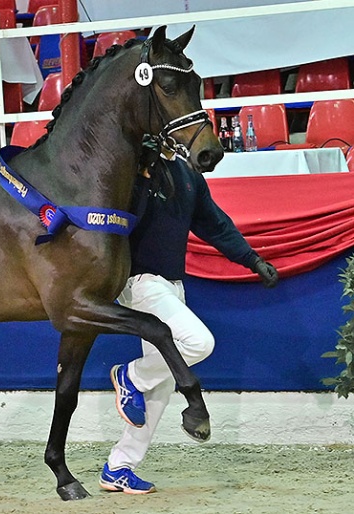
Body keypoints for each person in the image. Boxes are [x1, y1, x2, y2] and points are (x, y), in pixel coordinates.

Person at [99, 137, 279, 495]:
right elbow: (121, 220)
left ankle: (118, 467)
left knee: (162, 386)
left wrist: (252, 259)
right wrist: (143, 175)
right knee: (199, 341)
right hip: (141, 281)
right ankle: (130, 375)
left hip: (173, 285)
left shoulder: (187, 173)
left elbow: (214, 224)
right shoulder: (137, 169)